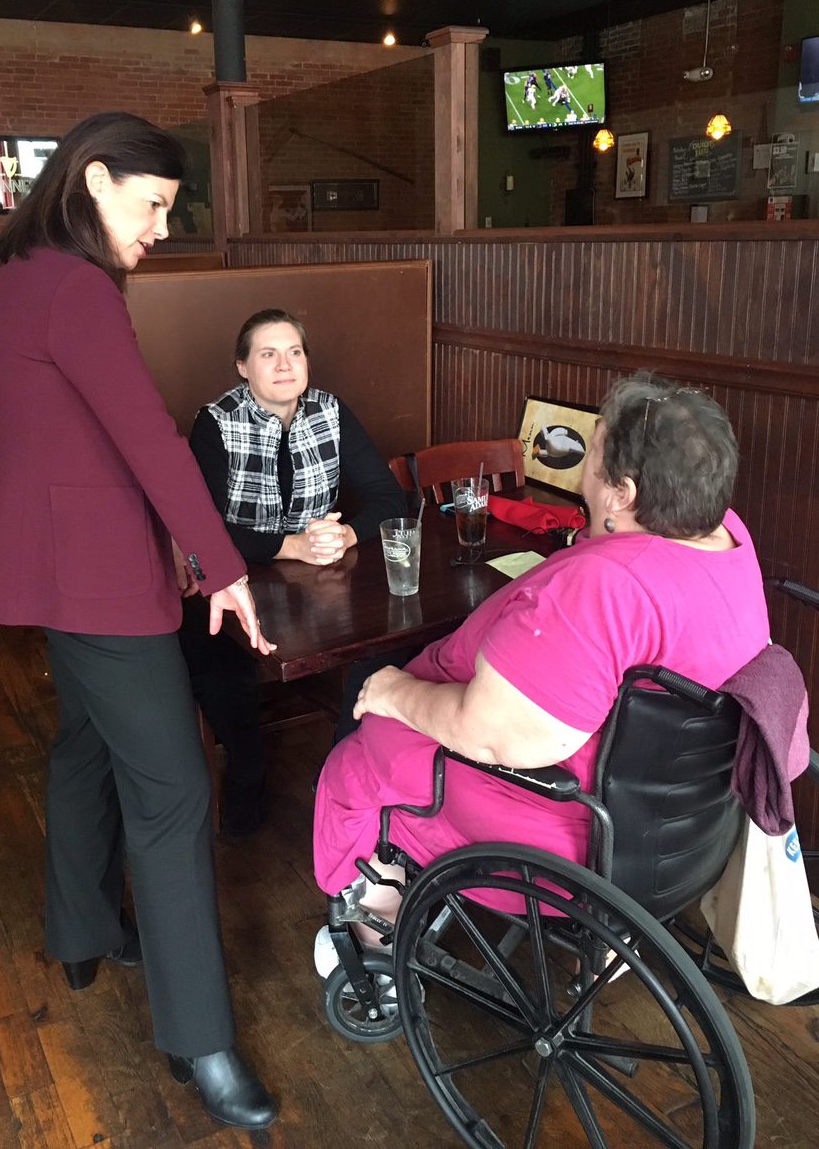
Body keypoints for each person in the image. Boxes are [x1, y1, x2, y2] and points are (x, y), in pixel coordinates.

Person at [0, 112, 277, 1130]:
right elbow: (148, 435)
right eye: (150, 204)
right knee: (176, 793)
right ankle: (202, 1040)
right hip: (101, 582)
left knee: (86, 749)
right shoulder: (75, 285)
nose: (158, 227)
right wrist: (225, 565)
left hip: (59, 574)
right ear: (94, 181)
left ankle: (82, 927)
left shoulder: (13, 277)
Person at [311, 375, 771, 974]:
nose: (585, 467)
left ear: (622, 493)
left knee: (358, 758)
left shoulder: (608, 589)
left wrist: (395, 692)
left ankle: (373, 941)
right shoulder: (728, 536)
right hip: (675, 821)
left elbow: (495, 736)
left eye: (593, 454)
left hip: (568, 826)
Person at [180, 308, 407, 833]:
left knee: (388, 639)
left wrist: (347, 533)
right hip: (231, 584)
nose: (285, 365)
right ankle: (246, 769)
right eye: (268, 354)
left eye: (295, 352)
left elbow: (388, 498)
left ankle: (342, 772)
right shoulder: (214, 422)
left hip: (320, 585)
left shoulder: (331, 411)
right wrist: (291, 547)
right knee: (222, 660)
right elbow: (203, 528)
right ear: (242, 366)